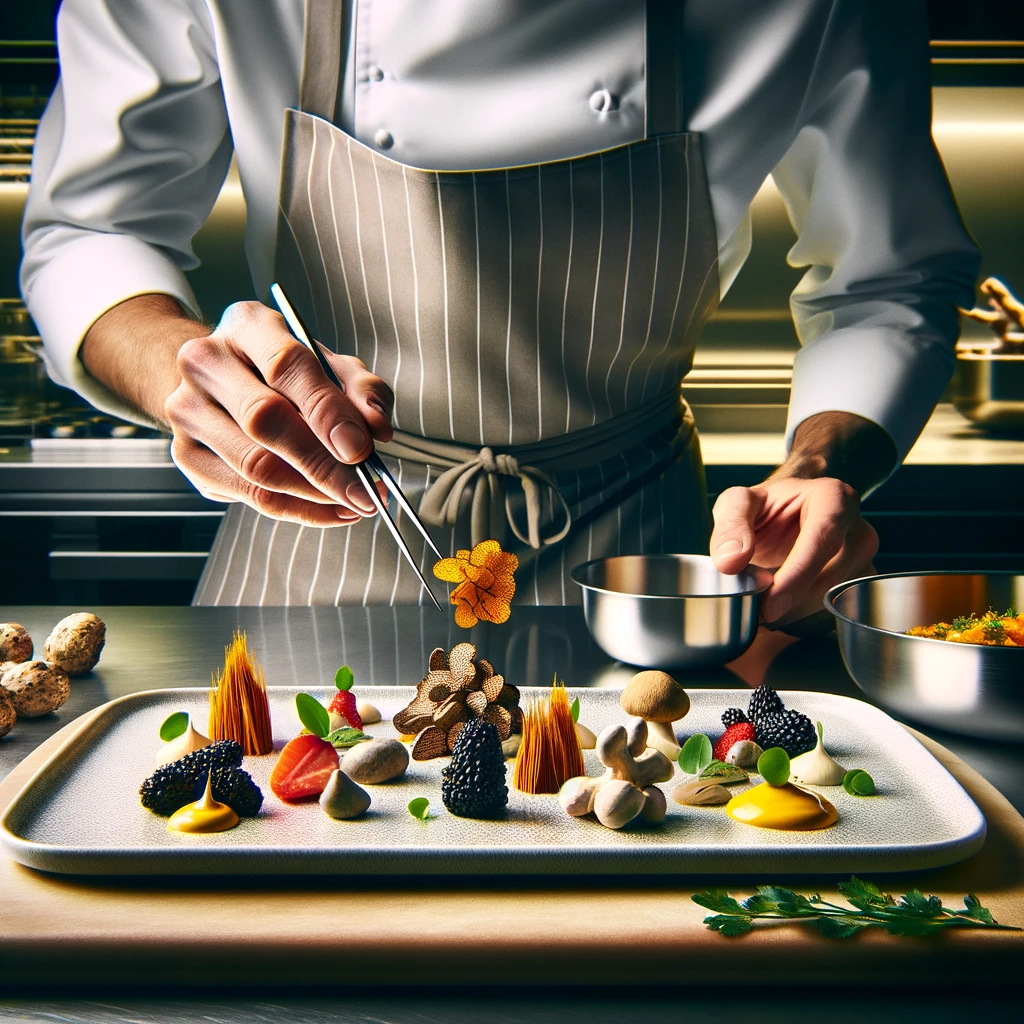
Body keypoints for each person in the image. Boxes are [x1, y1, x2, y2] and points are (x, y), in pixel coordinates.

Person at [21, 0, 979, 621]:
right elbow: (88, 230)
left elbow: (887, 278)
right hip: (314, 524)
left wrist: (818, 468)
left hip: (641, 569)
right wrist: (188, 369)